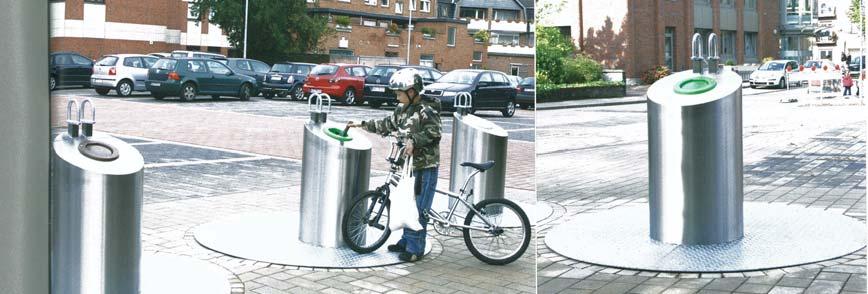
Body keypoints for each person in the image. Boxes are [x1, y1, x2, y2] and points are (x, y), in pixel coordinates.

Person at [347, 68, 442, 262]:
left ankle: (415, 249)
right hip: (406, 166)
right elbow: (387, 124)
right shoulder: (401, 109)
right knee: (407, 204)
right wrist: (361, 124)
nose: (397, 96)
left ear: (412, 91)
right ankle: (406, 241)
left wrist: (414, 140)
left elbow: (435, 133)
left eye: (400, 92)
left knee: (419, 209)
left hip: (424, 167)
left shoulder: (427, 110)